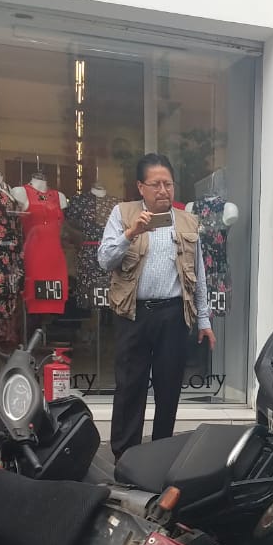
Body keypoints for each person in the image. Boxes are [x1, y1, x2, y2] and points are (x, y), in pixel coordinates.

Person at [99, 153, 216, 461]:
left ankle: (161, 454)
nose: (164, 190)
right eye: (156, 184)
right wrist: (131, 233)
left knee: (168, 388)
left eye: (168, 184)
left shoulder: (188, 221)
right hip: (133, 315)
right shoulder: (122, 214)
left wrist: (204, 320)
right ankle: (125, 456)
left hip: (173, 316)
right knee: (130, 386)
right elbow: (105, 259)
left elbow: (199, 274)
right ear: (141, 187)